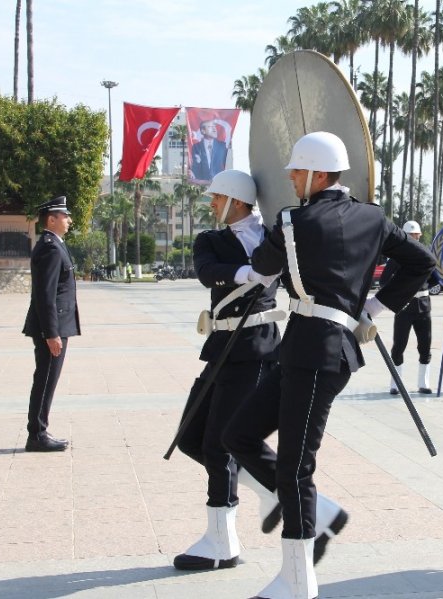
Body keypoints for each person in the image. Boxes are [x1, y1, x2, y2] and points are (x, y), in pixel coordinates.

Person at [223, 131, 435, 599]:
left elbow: (262, 264)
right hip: (313, 348)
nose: (293, 180)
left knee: (296, 467)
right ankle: (316, 515)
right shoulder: (374, 218)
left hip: (316, 353)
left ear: (319, 173)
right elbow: (423, 262)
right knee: (238, 434)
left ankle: (298, 580)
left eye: (297, 172)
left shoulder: (292, 221)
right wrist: (372, 310)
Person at [173, 169, 283, 571]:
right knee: (191, 438)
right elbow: (206, 271)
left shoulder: (276, 236)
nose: (212, 205)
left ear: (236, 200)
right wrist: (247, 273)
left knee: (220, 445)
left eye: (217, 198)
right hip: (221, 347)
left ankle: (221, 541)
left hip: (255, 348)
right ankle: (268, 488)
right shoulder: (212, 240)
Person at [22, 196, 80, 452]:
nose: (69, 220)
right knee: (45, 379)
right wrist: (51, 333)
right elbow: (46, 294)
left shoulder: (55, 244)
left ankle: (39, 430)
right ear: (52, 219)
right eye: (65, 216)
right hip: (52, 329)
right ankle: (37, 434)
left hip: (56, 326)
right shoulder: (50, 247)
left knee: (47, 379)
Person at [383, 220, 440, 395]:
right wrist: (399, 293)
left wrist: (422, 287)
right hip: (403, 308)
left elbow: (435, 279)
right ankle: (395, 383)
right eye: (411, 235)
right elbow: (384, 280)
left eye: (416, 235)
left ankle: (424, 383)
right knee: (399, 345)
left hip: (423, 308)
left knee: (425, 345)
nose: (414, 238)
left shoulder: (425, 256)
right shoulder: (397, 258)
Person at [190, 119, 229, 184]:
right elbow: (195, 166)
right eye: (210, 127)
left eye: (214, 126)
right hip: (202, 184)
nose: (214, 129)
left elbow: (226, 164)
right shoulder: (196, 147)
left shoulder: (223, 146)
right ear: (203, 131)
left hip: (220, 183)